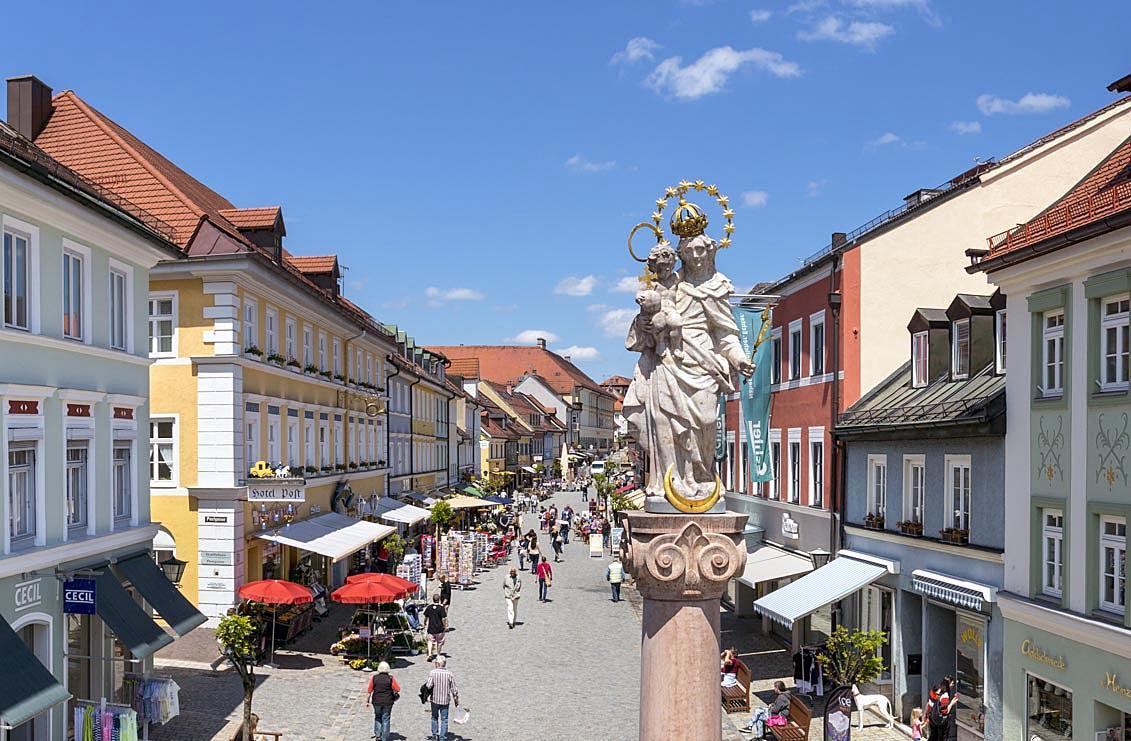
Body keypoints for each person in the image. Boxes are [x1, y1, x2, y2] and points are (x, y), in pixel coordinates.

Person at [425, 656, 459, 741]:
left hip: (435, 699)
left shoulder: (432, 673)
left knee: (434, 717)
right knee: (444, 719)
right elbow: (454, 689)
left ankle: (434, 735)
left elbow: (428, 686)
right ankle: (442, 737)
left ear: (437, 663)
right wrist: (456, 700)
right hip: (445, 700)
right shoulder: (449, 674)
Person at [366, 661, 401, 741]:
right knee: (386, 718)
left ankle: (378, 735)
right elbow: (398, 689)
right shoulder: (390, 678)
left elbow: (369, 690)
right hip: (388, 701)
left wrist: (367, 701)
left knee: (378, 717)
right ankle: (384, 737)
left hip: (376, 701)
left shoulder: (374, 678)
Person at [423, 594, 447, 660]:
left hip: (431, 628)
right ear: (439, 600)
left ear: (433, 599)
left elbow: (426, 616)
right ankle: (438, 654)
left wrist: (424, 623)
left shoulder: (429, 607)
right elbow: (444, 618)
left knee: (430, 641)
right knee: (439, 642)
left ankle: (430, 654)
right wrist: (445, 626)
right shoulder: (441, 608)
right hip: (439, 628)